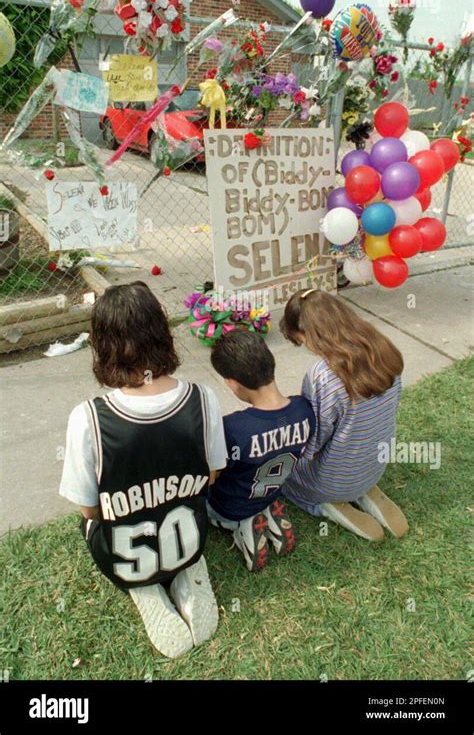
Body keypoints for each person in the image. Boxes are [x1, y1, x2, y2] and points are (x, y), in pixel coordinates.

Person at [59, 281, 227, 658]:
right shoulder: (203, 398)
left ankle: (144, 586)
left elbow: (89, 510)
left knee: (89, 521)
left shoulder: (88, 419)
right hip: (189, 537)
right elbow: (213, 474)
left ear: (101, 345)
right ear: (162, 333)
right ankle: (185, 571)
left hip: (124, 557)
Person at [279, 288, 409, 541]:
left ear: (310, 334)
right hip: (374, 464)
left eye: (303, 340)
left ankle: (326, 503)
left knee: (283, 474)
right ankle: (362, 488)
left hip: (331, 480)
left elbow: (314, 442)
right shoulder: (385, 349)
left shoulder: (324, 376)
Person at [208, 331, 315, 571]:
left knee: (204, 499)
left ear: (232, 383)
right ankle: (265, 515)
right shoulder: (304, 409)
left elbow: (213, 473)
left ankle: (241, 526)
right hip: (271, 490)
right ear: (272, 362)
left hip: (229, 505)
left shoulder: (233, 428)